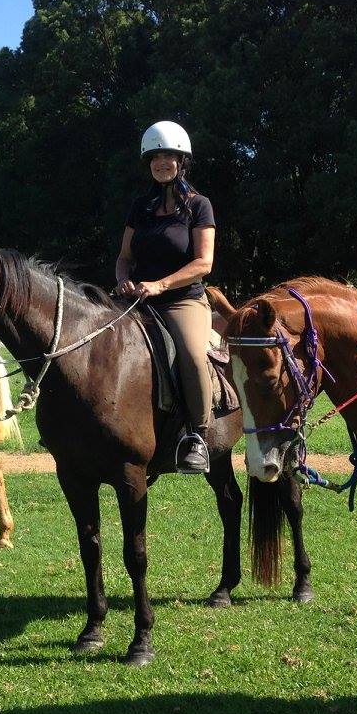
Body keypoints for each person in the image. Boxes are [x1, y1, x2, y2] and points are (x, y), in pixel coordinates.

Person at [115, 120, 217, 473]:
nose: (161, 163)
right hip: (139, 300)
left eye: (168, 156)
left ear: (181, 161)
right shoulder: (140, 207)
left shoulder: (199, 206)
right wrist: (124, 279)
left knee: (190, 354)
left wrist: (160, 284)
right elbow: (124, 257)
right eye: (155, 157)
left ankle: (198, 436)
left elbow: (203, 263)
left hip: (182, 301)